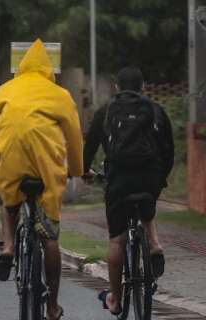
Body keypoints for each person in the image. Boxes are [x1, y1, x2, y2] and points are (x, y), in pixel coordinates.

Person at [0, 39, 83, 320]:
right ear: (49, 70)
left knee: (9, 202)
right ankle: (52, 305)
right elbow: (73, 136)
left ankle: (9, 246)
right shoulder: (60, 94)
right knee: (49, 237)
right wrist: (77, 170)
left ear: (20, 69)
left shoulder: (5, 90)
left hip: (11, 161)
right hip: (46, 166)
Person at [82, 67, 174, 315]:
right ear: (143, 86)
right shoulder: (155, 110)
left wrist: (84, 171)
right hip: (150, 178)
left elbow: (89, 148)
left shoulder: (106, 111)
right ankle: (154, 245)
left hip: (120, 181)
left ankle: (115, 298)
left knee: (117, 239)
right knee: (147, 204)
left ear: (116, 87)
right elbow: (169, 150)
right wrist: (160, 178)